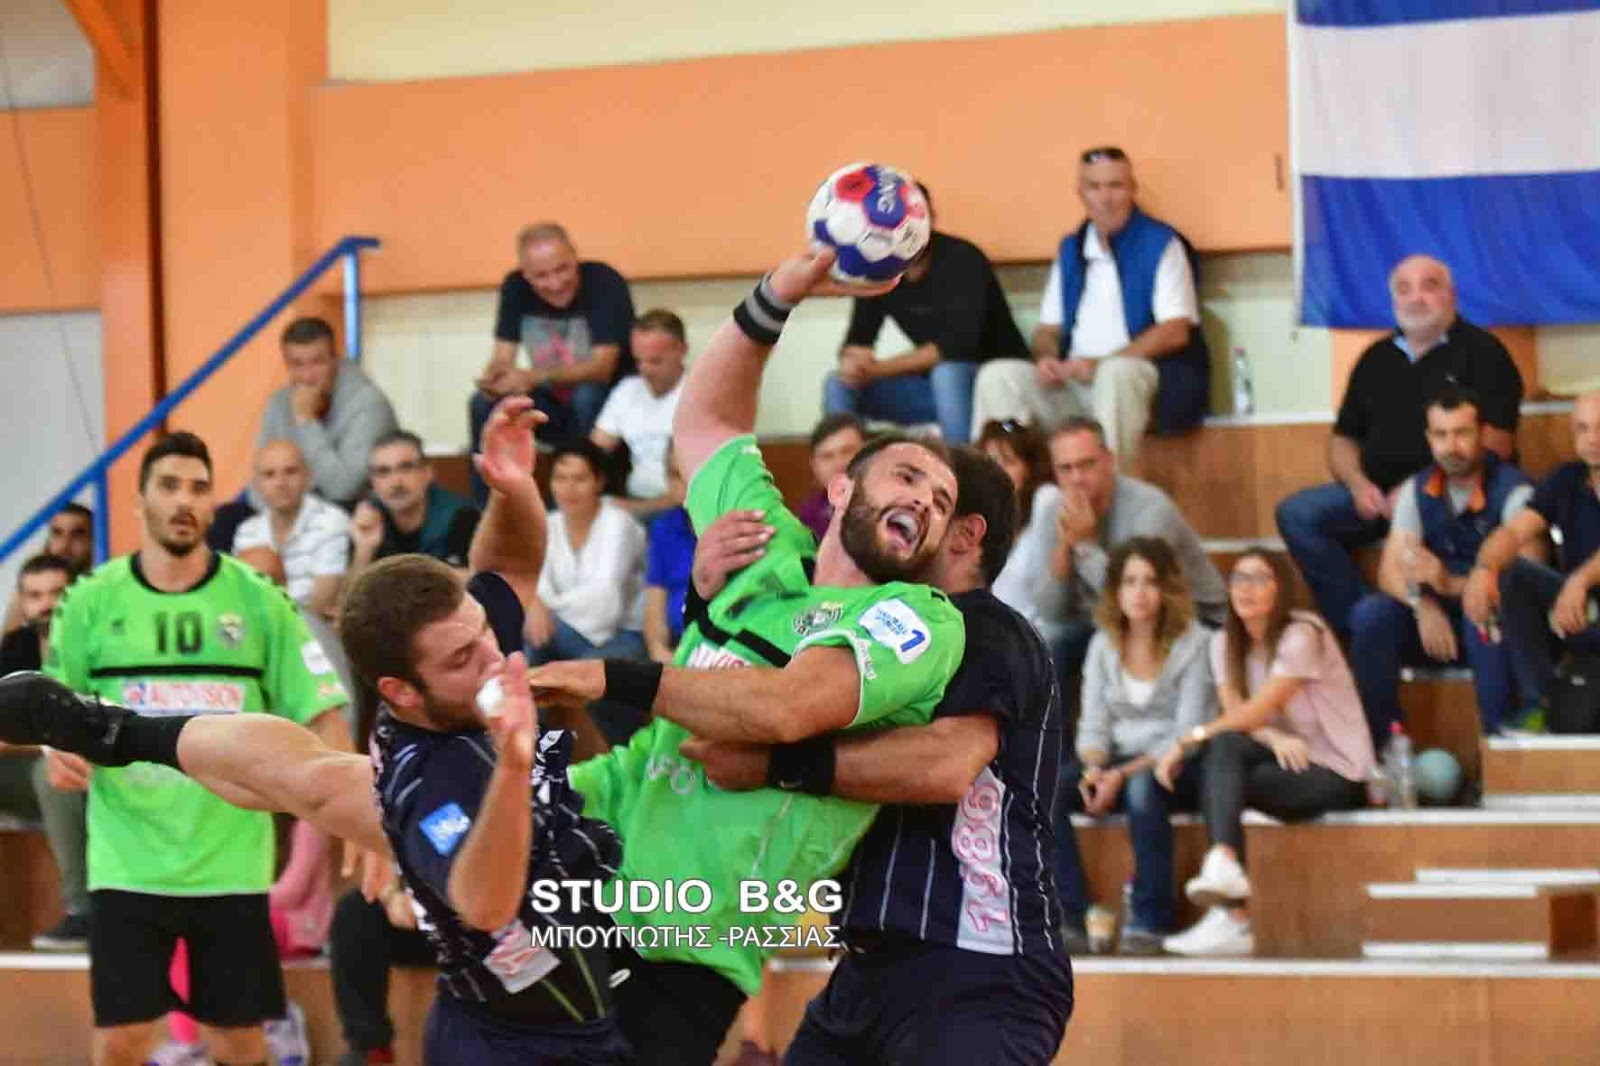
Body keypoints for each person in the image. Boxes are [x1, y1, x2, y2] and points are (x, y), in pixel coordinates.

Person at [0, 251, 971, 1066]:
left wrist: (523, 509)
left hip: (681, 931)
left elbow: (781, 705)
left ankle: (117, 730)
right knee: (330, 783)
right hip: (578, 866)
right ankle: (113, 729)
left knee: (329, 783)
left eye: (940, 500)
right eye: (907, 475)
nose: (924, 501)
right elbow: (708, 421)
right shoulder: (760, 546)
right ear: (843, 485)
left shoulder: (917, 618)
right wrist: (779, 290)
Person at [685, 446, 1074, 1064]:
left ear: (966, 535)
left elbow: (945, 765)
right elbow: (761, 698)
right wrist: (705, 594)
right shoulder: (875, 630)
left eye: (936, 504)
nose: (909, 512)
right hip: (867, 971)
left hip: (980, 968)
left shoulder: (984, 629)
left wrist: (776, 768)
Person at [39, 430, 350, 1066]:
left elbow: (323, 713)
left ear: (213, 504)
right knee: (122, 1040)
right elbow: (53, 706)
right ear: (140, 502)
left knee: (239, 1041)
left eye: (199, 488)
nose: (184, 501)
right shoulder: (91, 599)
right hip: (128, 862)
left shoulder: (258, 599)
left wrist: (359, 809)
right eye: (169, 486)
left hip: (230, 863)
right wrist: (53, 745)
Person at [1276, 255, 1525, 636]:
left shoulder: (1484, 352)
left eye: (1429, 286)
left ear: (1452, 295)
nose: (1416, 298)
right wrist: (1358, 484)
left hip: (1452, 497)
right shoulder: (1375, 358)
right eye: (1404, 289)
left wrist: (1415, 490)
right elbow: (1342, 439)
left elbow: (1498, 444)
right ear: (1394, 300)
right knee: (1298, 514)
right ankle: (1359, 624)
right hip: (1376, 499)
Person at [1153, 550, 1373, 956]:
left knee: (1219, 774)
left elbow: (1252, 712)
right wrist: (1274, 739)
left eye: (1259, 579)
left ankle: (1231, 913)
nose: (1245, 589)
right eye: (1238, 579)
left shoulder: (1303, 635)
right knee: (1223, 761)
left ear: (1281, 588)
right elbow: (1239, 717)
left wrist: (1186, 740)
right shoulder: (1223, 642)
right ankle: (1225, 875)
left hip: (1337, 772)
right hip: (1281, 762)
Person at [969, 146, 1209, 462]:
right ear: (1080, 193)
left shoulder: (1162, 243)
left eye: (1115, 186)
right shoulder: (1071, 248)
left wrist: (1099, 364)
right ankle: (1003, 486)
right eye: (1094, 187)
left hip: (1136, 379)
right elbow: (1047, 329)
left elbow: (1175, 330)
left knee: (1117, 373)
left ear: (1132, 189)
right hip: (1072, 381)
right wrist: (1047, 358)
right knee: (997, 376)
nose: (1105, 198)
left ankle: (1109, 486)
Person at [1055, 537, 1215, 953]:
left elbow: (1188, 730)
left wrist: (1121, 775)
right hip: (1114, 761)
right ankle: (1072, 915)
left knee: (1143, 790)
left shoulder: (1195, 642)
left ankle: (1151, 920)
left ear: (1167, 589)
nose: (1139, 593)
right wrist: (1094, 769)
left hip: (1176, 761)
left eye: (1150, 581)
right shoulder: (1103, 644)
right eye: (1129, 582)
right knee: (1046, 788)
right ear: (1115, 590)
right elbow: (1093, 724)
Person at [1349, 388, 1534, 741]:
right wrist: (1423, 604)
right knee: (1370, 616)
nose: (1451, 446)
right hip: (1435, 626)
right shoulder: (1416, 488)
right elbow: (1388, 572)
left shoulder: (1515, 492)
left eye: (1461, 433)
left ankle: (1499, 747)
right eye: (1441, 434)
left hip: (1495, 627)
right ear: (1428, 438)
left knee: (1483, 618)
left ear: (1483, 434)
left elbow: (1527, 581)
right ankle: (1385, 747)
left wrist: (1449, 583)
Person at [1025, 419, 1226, 704]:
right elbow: (1052, 611)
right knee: (1047, 643)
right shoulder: (1054, 512)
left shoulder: (1150, 509)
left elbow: (1139, 598)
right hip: (1109, 618)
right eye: (1065, 469)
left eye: (1086, 465)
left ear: (1109, 461)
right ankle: (1053, 735)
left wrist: (1084, 545)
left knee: (1113, 637)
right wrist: (1063, 547)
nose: (1077, 478)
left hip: (1192, 616)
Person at [822, 185, 1030, 444]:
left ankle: (961, 464)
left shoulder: (962, 257)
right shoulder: (880, 268)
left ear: (929, 217)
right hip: (933, 390)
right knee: (838, 383)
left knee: (947, 374)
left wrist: (877, 370)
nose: (904, 230)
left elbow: (954, 347)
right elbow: (858, 336)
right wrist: (852, 361)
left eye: (912, 219)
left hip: (990, 381)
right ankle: (844, 466)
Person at [470, 222, 636, 503]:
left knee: (586, 395)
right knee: (483, 404)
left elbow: (602, 368)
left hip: (604, 401)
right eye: (542, 276)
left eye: (563, 269)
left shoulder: (603, 281)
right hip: (551, 403)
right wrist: (496, 380)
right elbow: (502, 357)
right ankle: (491, 505)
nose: (556, 283)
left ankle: (595, 498)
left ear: (575, 257)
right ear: (525, 274)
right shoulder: (515, 287)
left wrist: (532, 376)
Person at [1467, 391, 1600, 720]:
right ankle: (1538, 705)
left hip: (1581, 594)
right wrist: (1483, 569)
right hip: (1579, 610)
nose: (1593, 439)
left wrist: (1581, 580)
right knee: (1512, 573)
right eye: (1583, 429)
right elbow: (1514, 533)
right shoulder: (1566, 479)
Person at [0, 553, 91, 952]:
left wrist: (35, 738)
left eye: (57, 593)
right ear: (21, 602)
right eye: (34, 596)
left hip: (90, 771)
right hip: (26, 770)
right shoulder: (16, 648)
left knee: (50, 772)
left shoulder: (96, 642)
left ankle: (82, 913)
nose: (46, 604)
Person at [525, 439, 648, 667]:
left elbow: (605, 599)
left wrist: (543, 606)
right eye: (560, 478)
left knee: (565, 674)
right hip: (565, 631)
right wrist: (535, 603)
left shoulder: (618, 524)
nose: (568, 489)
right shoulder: (547, 524)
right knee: (526, 632)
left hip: (623, 634)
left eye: (580, 479)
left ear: (599, 482)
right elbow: (535, 582)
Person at [256, 316, 399, 509]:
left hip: (358, 512)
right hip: (293, 512)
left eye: (317, 362)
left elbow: (343, 489)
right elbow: (259, 479)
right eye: (297, 364)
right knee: (230, 515)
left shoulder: (369, 404)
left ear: (335, 361)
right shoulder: (279, 402)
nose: (307, 377)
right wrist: (272, 519)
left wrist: (306, 421)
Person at [231, 440, 350, 620]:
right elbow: (240, 597)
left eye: (290, 472)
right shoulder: (246, 531)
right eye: (269, 475)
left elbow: (323, 604)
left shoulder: (332, 521)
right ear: (256, 484)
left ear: (308, 476)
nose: (280, 483)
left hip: (315, 629)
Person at [590, 308, 688, 516]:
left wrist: (632, 509)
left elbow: (687, 493)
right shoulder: (628, 390)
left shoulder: (701, 396)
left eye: (655, 361)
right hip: (634, 498)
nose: (644, 369)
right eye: (638, 360)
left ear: (682, 350)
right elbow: (593, 452)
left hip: (682, 510)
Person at [348, 431, 480, 583]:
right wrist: (364, 550)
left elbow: (478, 582)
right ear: (372, 481)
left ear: (428, 472)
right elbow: (349, 596)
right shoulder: (367, 517)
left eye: (406, 467)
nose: (396, 482)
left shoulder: (463, 516)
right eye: (383, 472)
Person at [978, 419, 1061, 627]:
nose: (997, 470)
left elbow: (1051, 593)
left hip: (1039, 629)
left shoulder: (1046, 500)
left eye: (1008, 461)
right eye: (990, 461)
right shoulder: (980, 513)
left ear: (1029, 468)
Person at [2, 503, 94, 633]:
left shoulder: (107, 582)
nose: (64, 545)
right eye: (57, 533)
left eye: (77, 534)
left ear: (93, 539)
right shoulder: (31, 583)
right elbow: (8, 639)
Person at [642, 447, 695, 665]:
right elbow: (655, 602)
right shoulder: (664, 527)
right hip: (677, 645)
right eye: (675, 475)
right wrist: (658, 649)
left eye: (690, 473)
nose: (684, 484)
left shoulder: (743, 527)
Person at [797, 413, 866, 541]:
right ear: (814, 466)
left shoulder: (892, 502)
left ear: (869, 453)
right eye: (827, 457)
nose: (839, 465)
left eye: (847, 451)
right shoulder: (810, 513)